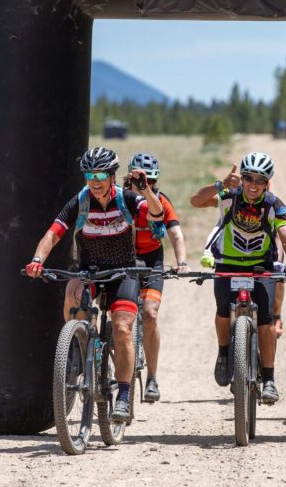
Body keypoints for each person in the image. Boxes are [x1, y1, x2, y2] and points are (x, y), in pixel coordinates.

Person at [25, 147, 165, 421]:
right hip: (90, 269)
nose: (95, 180)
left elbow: (156, 215)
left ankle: (124, 395)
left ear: (112, 176)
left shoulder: (126, 198)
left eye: (100, 174)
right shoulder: (81, 201)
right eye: (90, 175)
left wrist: (146, 190)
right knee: (71, 292)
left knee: (123, 328)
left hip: (123, 271)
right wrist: (37, 259)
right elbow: (52, 234)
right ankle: (77, 345)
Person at [190, 152, 286, 404]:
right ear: (241, 178)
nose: (253, 184)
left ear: (267, 183)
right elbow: (196, 201)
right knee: (222, 311)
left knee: (265, 322)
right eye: (248, 178)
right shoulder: (230, 196)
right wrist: (221, 184)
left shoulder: (275, 204)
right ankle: (223, 354)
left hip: (259, 266)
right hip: (228, 264)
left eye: (259, 180)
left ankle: (270, 379)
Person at [125, 152, 191, 403]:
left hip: (152, 260)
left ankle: (152, 376)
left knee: (150, 313)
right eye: (139, 180)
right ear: (128, 178)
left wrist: (182, 262)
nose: (145, 185)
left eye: (150, 181)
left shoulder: (161, 201)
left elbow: (175, 234)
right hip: (124, 260)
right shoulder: (119, 199)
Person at [201, 216, 286, 339]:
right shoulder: (235, 205)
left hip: (269, 251)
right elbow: (218, 228)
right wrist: (207, 253)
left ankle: (276, 316)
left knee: (277, 276)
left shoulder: (275, 207)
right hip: (237, 255)